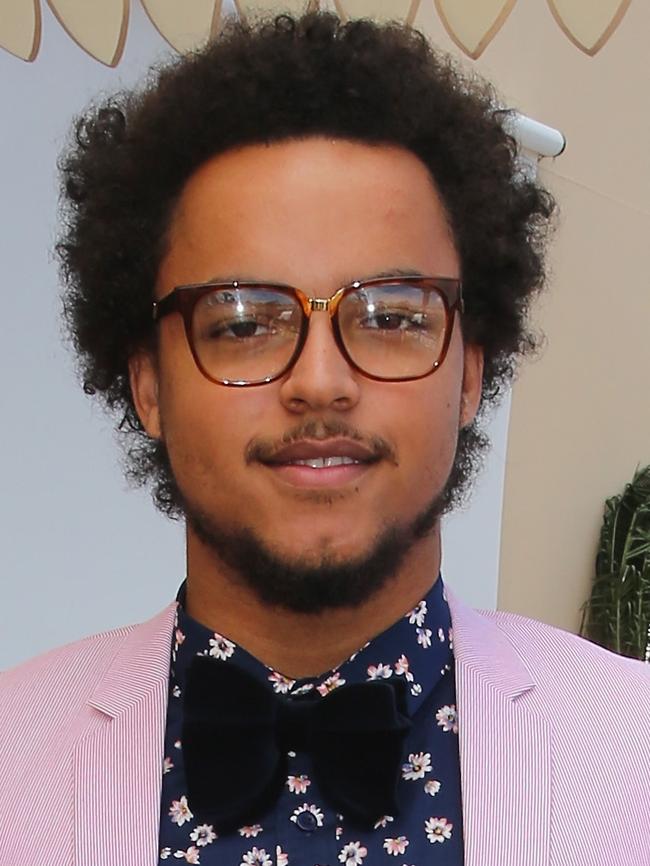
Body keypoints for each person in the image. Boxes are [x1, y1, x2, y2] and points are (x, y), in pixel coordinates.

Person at [1, 10, 648, 866]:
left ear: (470, 375)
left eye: (390, 317)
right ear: (147, 384)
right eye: (242, 322)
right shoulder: (12, 761)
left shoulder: (633, 759)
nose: (319, 381)